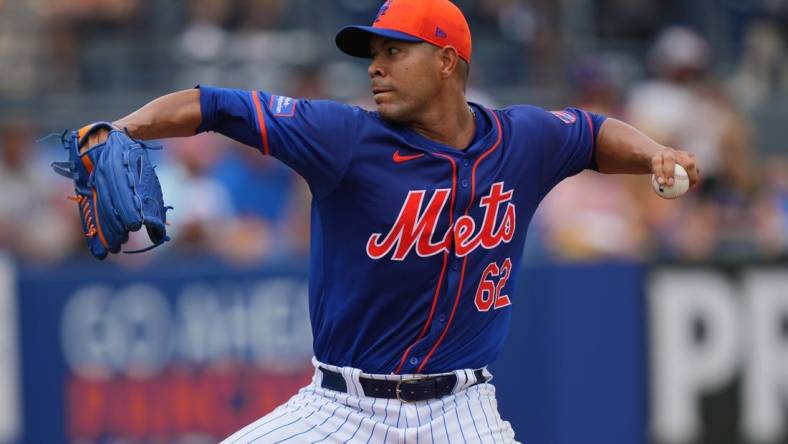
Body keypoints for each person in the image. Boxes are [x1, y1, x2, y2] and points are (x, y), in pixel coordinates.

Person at [77, 0, 699, 442]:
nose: (375, 66)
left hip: (462, 412)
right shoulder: (343, 136)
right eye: (373, 53)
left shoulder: (522, 140)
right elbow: (210, 104)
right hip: (338, 411)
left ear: (448, 62)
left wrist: (654, 153)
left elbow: (591, 133)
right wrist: (123, 128)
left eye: (395, 52)